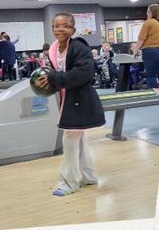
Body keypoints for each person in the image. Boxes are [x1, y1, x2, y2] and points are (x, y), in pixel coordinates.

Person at [34, 12, 105, 196]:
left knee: (70, 139)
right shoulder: (53, 49)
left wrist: (53, 77)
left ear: (73, 29)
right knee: (79, 140)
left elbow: (84, 73)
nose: (60, 29)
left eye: (65, 25)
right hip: (68, 99)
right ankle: (89, 176)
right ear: (52, 29)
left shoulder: (79, 47)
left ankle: (69, 182)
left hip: (81, 99)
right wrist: (47, 80)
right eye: (56, 26)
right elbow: (55, 74)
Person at [132, 3, 159, 88]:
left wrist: (135, 51)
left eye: (148, 12)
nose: (147, 14)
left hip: (150, 52)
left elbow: (141, 39)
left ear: (152, 12)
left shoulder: (148, 23)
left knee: (151, 75)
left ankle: (154, 95)